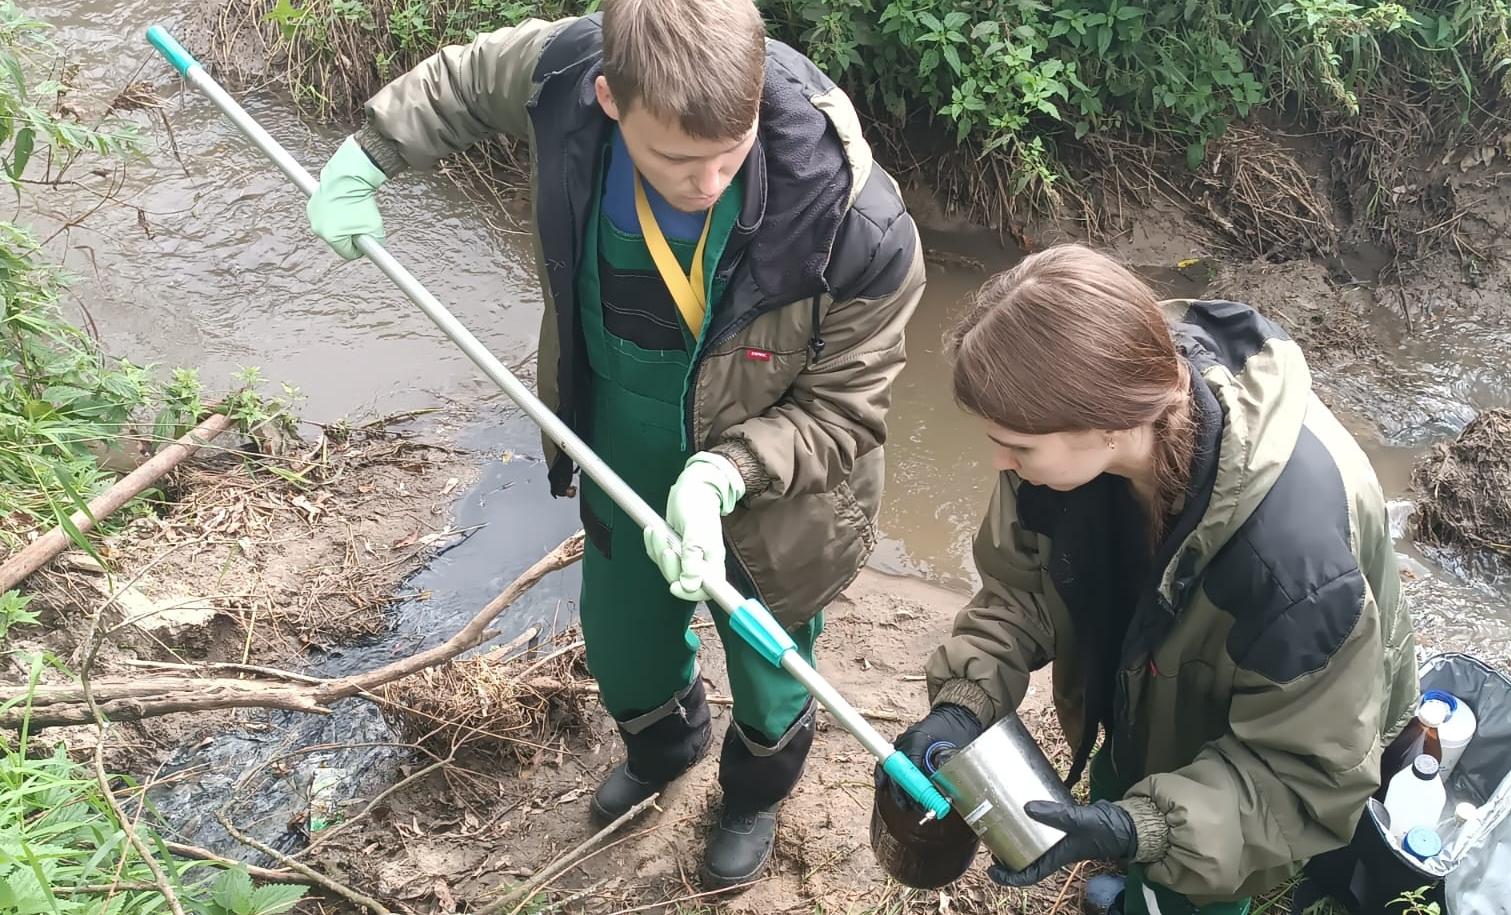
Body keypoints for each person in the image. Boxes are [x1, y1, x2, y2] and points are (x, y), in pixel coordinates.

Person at [305, 0, 924, 888]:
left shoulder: (856, 225)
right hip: (616, 436)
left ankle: (754, 789)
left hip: (777, 480)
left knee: (770, 655)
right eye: (674, 158)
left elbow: (849, 407)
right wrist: (369, 154)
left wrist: (725, 474)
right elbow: (463, 81)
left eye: (731, 150)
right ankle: (663, 744)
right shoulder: (567, 72)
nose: (708, 180)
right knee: (621, 634)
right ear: (608, 99)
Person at [886, 245, 1417, 914]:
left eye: (1017, 444)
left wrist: (1143, 826)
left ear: (1109, 424)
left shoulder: (1292, 566)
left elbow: (1296, 776)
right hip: (1164, 680)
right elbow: (1020, 589)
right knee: (1134, 784)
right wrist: (962, 704)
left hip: (1290, 731)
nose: (1000, 459)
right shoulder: (1075, 425)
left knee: (1197, 888)